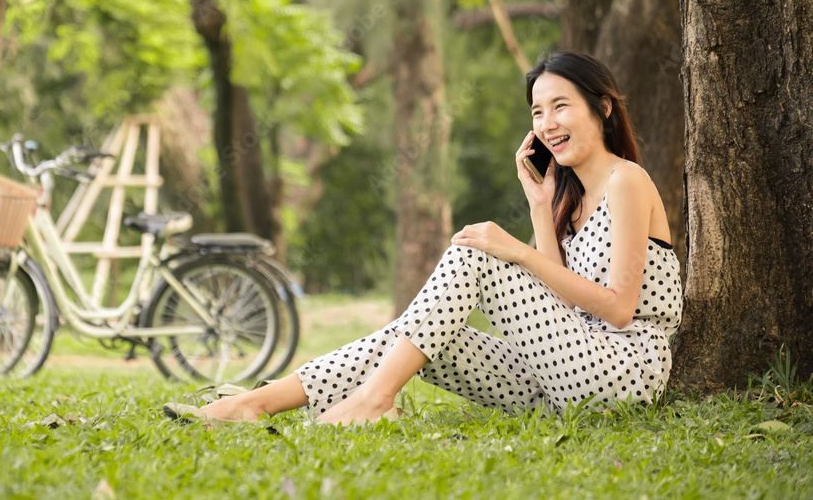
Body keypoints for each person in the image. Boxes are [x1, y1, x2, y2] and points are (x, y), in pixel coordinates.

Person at [165, 51, 682, 426]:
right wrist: (540, 208)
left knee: (475, 253)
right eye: (537, 112)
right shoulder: (567, 201)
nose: (547, 123)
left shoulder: (627, 181)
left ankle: (372, 401)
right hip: (560, 381)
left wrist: (515, 249)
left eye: (560, 106)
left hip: (619, 375)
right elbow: (559, 300)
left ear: (604, 108)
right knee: (422, 335)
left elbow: (617, 310)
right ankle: (253, 405)